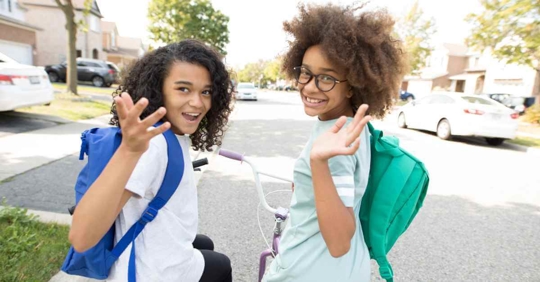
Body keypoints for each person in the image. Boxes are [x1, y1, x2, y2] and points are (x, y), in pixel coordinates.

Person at [263, 3, 408, 282]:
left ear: (352, 84)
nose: (309, 86)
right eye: (305, 72)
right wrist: (310, 182)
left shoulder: (336, 140)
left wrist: (318, 164)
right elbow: (343, 193)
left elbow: (340, 241)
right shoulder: (353, 125)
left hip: (309, 271)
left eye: (326, 78)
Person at [68, 39, 234, 282]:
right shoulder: (153, 145)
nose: (198, 103)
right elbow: (82, 238)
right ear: (158, 90)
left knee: (204, 243)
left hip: (152, 251)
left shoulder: (171, 134)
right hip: (151, 272)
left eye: (206, 91)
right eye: (183, 89)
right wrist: (129, 151)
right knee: (221, 266)